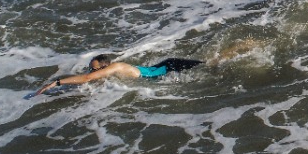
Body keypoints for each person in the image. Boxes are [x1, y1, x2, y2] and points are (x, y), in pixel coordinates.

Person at [32, 53, 202, 96]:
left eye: (95, 69)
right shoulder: (110, 70)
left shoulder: (116, 67)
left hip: (170, 67)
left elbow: (87, 78)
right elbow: (88, 79)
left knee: (211, 65)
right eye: (91, 68)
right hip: (164, 67)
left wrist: (56, 83)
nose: (92, 72)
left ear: (105, 66)